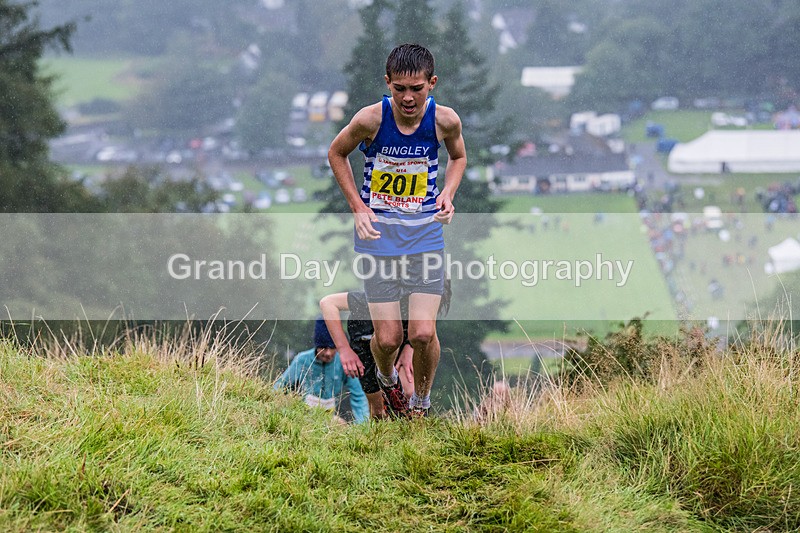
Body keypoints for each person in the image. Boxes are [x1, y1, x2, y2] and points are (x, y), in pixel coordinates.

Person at [328, 43, 466, 417]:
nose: (408, 97)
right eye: (399, 88)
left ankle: (420, 403)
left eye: (417, 88)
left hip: (425, 238)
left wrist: (448, 195)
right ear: (387, 83)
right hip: (378, 242)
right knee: (387, 339)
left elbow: (458, 156)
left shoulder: (445, 121)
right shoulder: (370, 120)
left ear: (432, 83)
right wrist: (358, 207)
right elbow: (336, 153)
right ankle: (388, 382)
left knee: (422, 333)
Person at [319, 280, 452, 419]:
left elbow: (424, 333)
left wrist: (409, 347)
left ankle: (413, 431)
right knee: (378, 412)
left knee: (408, 393)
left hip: (400, 346)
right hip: (365, 347)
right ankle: (382, 436)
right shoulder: (372, 300)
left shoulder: (423, 305)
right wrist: (344, 349)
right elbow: (327, 303)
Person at [273, 318, 370, 424]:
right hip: (303, 417)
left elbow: (358, 394)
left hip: (331, 420)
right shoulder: (301, 360)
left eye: (332, 347)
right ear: (317, 346)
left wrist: (361, 424)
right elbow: (279, 388)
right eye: (323, 348)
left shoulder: (344, 362)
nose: (328, 353)